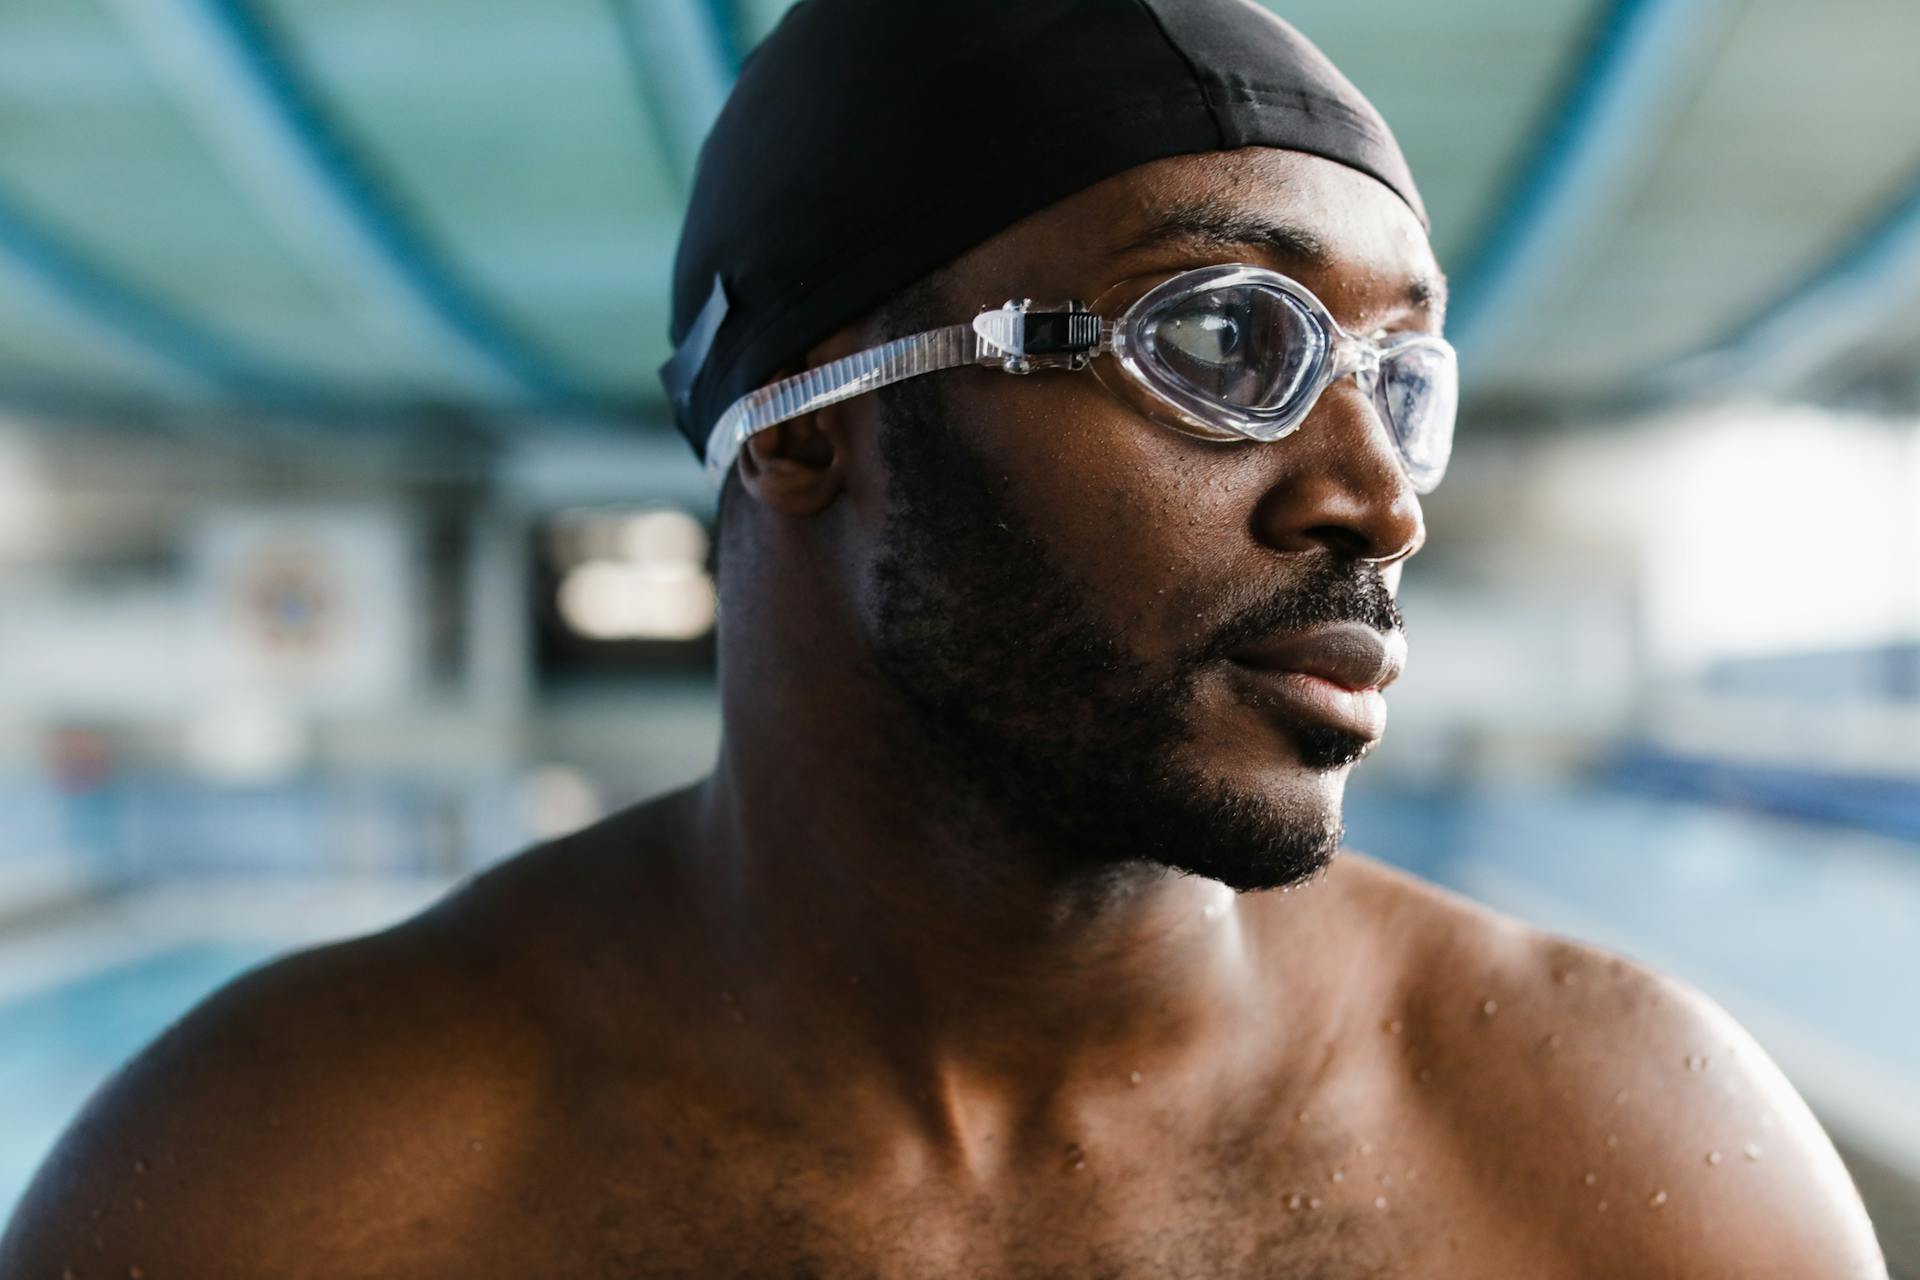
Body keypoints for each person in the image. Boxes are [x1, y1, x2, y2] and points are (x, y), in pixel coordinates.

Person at [1, 1, 1888, 1275]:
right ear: (816, 421)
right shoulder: (293, 1194)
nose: (1376, 499)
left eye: (1402, 381)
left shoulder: (1627, 1153)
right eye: (1224, 346)